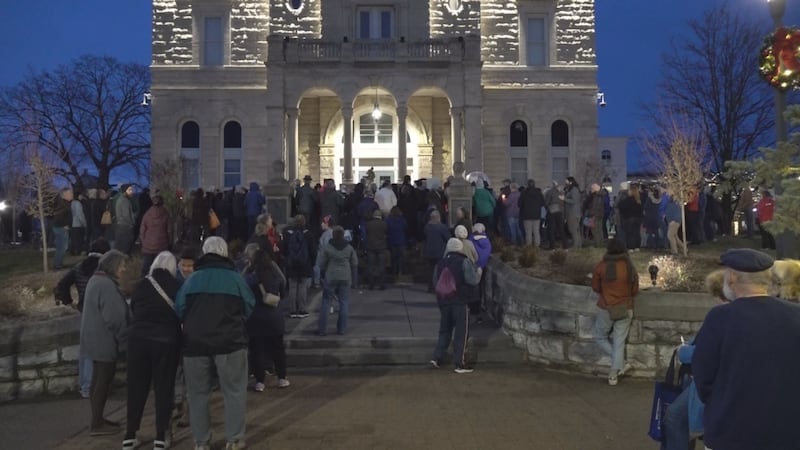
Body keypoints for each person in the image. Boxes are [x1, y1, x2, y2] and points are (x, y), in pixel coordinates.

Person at [692, 248, 800, 450]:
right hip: (788, 433)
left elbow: (703, 375)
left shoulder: (720, 318)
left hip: (731, 431)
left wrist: (721, 402)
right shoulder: (796, 315)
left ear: (732, 277)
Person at [175, 237, 255, 450]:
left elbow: (179, 309)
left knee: (198, 395)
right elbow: (249, 306)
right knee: (234, 392)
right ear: (224, 253)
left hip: (195, 344)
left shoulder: (191, 280)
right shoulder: (235, 278)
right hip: (230, 342)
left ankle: (201, 442)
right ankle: (235, 439)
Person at [124, 251, 182, 450]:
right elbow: (181, 313)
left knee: (136, 388)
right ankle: (160, 435)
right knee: (164, 388)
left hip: (137, 340)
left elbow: (133, 310)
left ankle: (130, 435)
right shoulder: (177, 286)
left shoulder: (140, 285)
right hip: (165, 341)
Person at [80, 249, 130, 436]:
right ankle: (97, 423)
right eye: (122, 265)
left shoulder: (95, 280)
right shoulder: (106, 285)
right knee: (103, 380)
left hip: (93, 339)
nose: (124, 269)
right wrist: (124, 339)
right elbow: (115, 318)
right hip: (104, 340)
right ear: (113, 266)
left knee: (97, 380)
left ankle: (98, 419)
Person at [54, 238, 111, 398]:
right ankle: (93, 387)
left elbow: (62, 284)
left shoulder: (79, 267)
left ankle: (85, 386)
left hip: (84, 311)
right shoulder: (104, 268)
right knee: (98, 352)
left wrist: (70, 302)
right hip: (100, 312)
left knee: (85, 351)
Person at [242, 244, 290, 392]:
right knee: (278, 348)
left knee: (257, 350)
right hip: (274, 317)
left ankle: (259, 381)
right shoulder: (274, 274)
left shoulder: (250, 276)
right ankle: (282, 378)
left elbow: (242, 286)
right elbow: (283, 288)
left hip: (255, 317)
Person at [591, 238, 638, 386]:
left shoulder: (601, 266)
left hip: (607, 307)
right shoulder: (629, 266)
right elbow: (635, 290)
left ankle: (619, 367)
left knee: (600, 337)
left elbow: (596, 287)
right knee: (619, 342)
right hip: (626, 307)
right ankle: (616, 371)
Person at [429, 238, 481, 373]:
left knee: (444, 330)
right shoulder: (464, 261)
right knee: (461, 332)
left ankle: (436, 357)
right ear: (460, 248)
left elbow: (435, 281)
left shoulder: (440, 263)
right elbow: (472, 280)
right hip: (460, 300)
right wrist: (479, 272)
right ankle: (459, 363)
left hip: (444, 301)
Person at [316, 226, 358, 336]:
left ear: (333, 235)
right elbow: (354, 263)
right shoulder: (349, 248)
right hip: (345, 278)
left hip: (330, 277)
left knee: (326, 303)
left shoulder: (328, 248)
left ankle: (322, 330)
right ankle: (342, 329)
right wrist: (355, 281)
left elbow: (321, 264)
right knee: (344, 303)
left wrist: (322, 275)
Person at [282, 214, 316, 318]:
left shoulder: (287, 233)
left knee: (292, 287)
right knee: (302, 287)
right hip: (305, 264)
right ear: (304, 222)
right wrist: (312, 263)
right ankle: (302, 310)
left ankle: (292, 310)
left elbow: (284, 249)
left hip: (291, 264)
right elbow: (313, 251)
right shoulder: (308, 234)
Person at [139, 194, 172, 276]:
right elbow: (169, 231)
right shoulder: (166, 214)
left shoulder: (147, 214)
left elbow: (142, 230)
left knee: (146, 268)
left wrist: (144, 242)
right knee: (160, 267)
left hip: (148, 246)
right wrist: (170, 243)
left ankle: (144, 282)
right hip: (162, 245)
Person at [424, 211, 451, 292]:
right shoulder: (442, 227)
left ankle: (430, 287)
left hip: (429, 251)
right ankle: (439, 287)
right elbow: (448, 238)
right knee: (440, 270)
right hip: (440, 251)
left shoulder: (427, 227)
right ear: (438, 218)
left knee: (430, 270)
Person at [365, 209, 388, 290]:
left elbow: (366, 234)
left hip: (370, 247)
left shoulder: (368, 224)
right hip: (381, 247)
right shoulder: (384, 224)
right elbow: (386, 233)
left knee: (371, 266)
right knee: (381, 266)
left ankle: (371, 284)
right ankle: (382, 284)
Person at [519, 179, 545, 247]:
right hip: (536, 214)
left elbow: (519, 204)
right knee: (536, 231)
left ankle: (529, 246)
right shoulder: (538, 192)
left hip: (526, 215)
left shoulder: (524, 193)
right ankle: (537, 245)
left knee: (528, 232)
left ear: (527, 184)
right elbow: (543, 203)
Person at [52, 187, 73, 270]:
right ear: (64, 195)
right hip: (60, 228)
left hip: (60, 227)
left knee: (61, 247)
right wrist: (64, 225)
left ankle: (58, 263)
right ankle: (57, 265)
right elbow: (58, 216)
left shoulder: (65, 203)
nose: (72, 195)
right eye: (70, 193)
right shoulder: (62, 204)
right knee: (63, 247)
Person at [385, 206, 407, 277]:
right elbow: (405, 228)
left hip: (392, 240)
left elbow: (386, 230)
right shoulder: (402, 220)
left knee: (393, 257)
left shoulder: (388, 220)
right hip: (401, 240)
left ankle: (394, 271)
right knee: (401, 257)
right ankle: (400, 271)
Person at [115, 184, 136, 254]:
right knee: (125, 247)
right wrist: (131, 224)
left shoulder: (123, 199)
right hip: (125, 226)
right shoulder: (124, 201)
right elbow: (126, 215)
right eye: (129, 190)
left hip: (122, 225)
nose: (131, 192)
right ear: (124, 191)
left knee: (121, 246)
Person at [563, 177, 582, 249]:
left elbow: (574, 201)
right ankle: (578, 244)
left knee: (573, 229)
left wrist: (564, 199)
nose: (565, 183)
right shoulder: (571, 189)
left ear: (570, 182)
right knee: (575, 229)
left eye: (566, 181)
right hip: (571, 212)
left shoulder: (574, 190)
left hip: (573, 213)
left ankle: (576, 245)